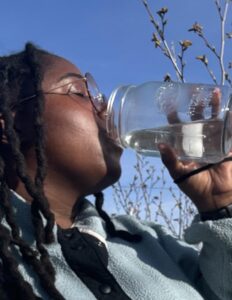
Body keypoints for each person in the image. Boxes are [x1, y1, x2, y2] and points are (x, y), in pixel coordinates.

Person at [0, 43, 231, 300]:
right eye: (79, 93)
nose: (105, 109)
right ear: (11, 124)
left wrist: (220, 204)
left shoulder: (149, 240)